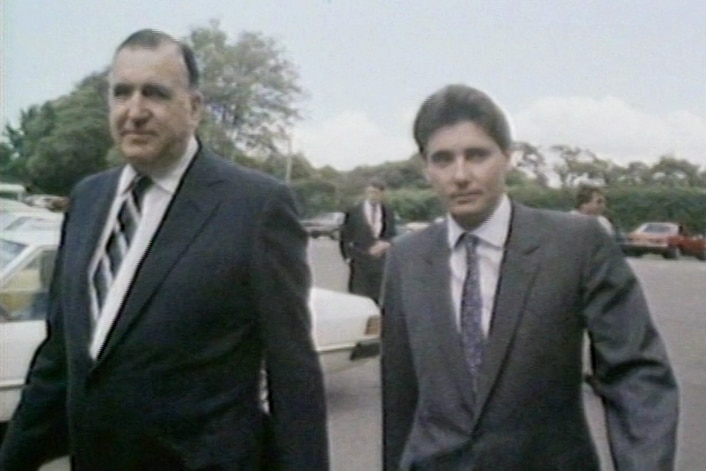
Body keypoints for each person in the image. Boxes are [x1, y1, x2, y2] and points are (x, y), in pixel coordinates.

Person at [0, 29, 329, 471]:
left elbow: (293, 373)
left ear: (193, 107)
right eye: (121, 93)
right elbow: (62, 355)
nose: (134, 111)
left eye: (154, 93)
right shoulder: (88, 199)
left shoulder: (255, 207)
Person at [381, 84, 678, 471]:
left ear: (507, 157)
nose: (460, 175)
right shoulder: (407, 258)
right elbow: (400, 397)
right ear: (426, 167)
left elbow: (636, 374)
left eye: (477, 155)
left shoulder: (576, 245)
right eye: (443, 159)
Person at [339, 179, 397, 304]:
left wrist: (386, 244)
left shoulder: (388, 211)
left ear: (382, 194)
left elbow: (392, 235)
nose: (372, 195)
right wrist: (348, 257)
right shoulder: (354, 211)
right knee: (359, 298)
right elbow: (345, 236)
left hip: (380, 262)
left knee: (377, 298)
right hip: (360, 262)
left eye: (376, 192)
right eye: (370, 192)